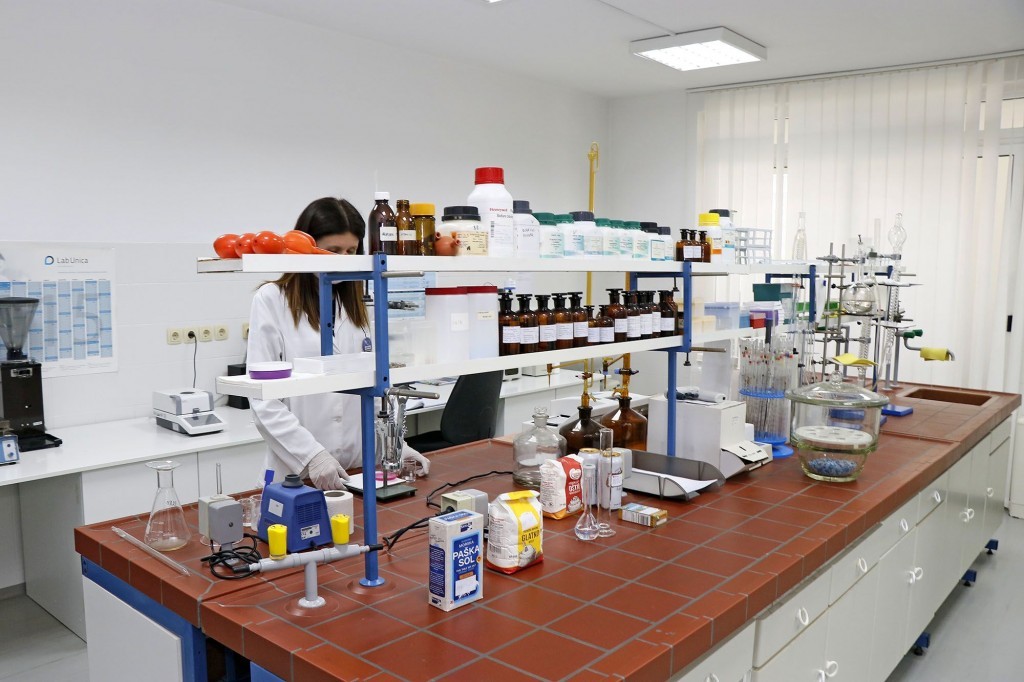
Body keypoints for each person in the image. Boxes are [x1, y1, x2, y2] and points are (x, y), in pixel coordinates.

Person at [246, 197, 429, 489]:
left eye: (351, 251)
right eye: (333, 251)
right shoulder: (272, 300)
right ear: (304, 247)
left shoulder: (358, 305)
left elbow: (371, 388)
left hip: (357, 469)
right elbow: (263, 399)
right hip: (296, 473)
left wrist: (394, 446)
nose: (343, 259)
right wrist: (312, 456)